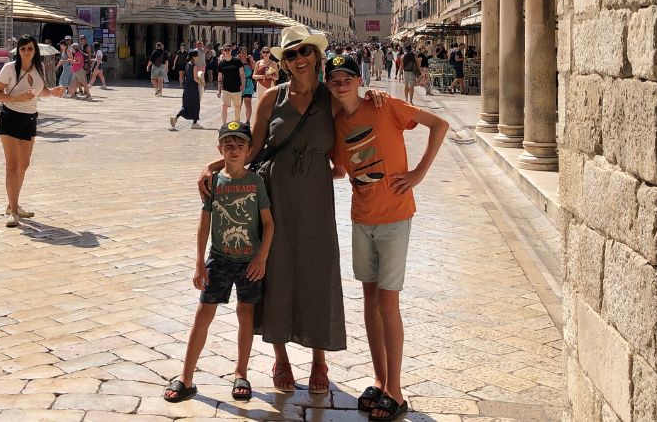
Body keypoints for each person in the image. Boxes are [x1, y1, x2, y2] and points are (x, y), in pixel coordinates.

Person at [198, 25, 388, 395]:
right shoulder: (271, 98)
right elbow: (250, 151)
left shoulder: (330, 98)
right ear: (283, 62)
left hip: (316, 197)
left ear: (316, 56)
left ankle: (320, 359)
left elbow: (358, 117)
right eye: (292, 55)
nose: (299, 59)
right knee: (276, 272)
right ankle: (280, 357)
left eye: (305, 52)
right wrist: (213, 166)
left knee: (318, 271)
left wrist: (375, 94)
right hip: (275, 194)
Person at [326, 53, 448, 421]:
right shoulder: (336, 126)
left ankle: (396, 390)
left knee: (388, 303)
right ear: (330, 87)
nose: (342, 83)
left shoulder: (386, 104)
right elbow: (338, 169)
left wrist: (418, 174)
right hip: (361, 217)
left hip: (394, 216)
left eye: (348, 77)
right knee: (369, 300)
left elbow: (439, 124)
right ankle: (380, 381)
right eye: (335, 79)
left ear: (360, 80)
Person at [165, 121, 274, 404]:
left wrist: (262, 257)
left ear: (249, 150)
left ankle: (241, 373)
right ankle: (186, 377)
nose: (234, 150)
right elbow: (204, 224)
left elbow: (269, 224)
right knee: (203, 313)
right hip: (220, 259)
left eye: (240, 145)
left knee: (245, 314)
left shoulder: (256, 182)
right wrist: (199, 262)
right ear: (220, 149)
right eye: (228, 145)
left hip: (249, 260)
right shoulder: (214, 182)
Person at [0, 35, 65, 227]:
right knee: (12, 166)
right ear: (18, 50)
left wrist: (53, 92)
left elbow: (41, 91)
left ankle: (12, 204)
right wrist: (16, 98)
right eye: (23, 49)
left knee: (23, 165)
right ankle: (13, 211)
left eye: (30, 48)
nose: (26, 52)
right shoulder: (9, 68)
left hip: (30, 119)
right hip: (10, 118)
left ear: (35, 51)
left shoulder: (38, 68)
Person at [170, 50, 205, 130]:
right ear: (193, 57)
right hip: (193, 87)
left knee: (186, 105)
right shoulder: (194, 66)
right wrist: (202, 82)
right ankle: (194, 123)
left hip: (187, 87)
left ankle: (175, 117)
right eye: (197, 56)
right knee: (196, 105)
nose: (198, 57)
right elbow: (195, 78)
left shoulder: (187, 65)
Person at [216, 44, 244, 123]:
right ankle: (223, 124)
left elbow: (242, 74)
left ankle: (237, 123)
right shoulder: (221, 63)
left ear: (231, 50)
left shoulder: (237, 61)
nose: (227, 51)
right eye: (225, 50)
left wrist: (243, 84)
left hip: (236, 87)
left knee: (237, 106)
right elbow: (220, 77)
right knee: (224, 106)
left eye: (229, 49)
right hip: (226, 88)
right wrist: (219, 90)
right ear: (223, 51)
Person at [239, 47, 256, 124]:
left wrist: (252, 59)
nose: (244, 54)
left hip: (248, 83)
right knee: (238, 104)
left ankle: (248, 121)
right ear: (239, 53)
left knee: (248, 102)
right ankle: (237, 119)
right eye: (242, 52)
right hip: (238, 83)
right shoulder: (237, 61)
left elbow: (256, 68)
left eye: (245, 52)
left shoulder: (249, 61)